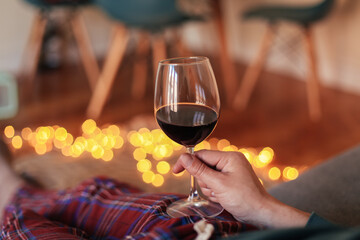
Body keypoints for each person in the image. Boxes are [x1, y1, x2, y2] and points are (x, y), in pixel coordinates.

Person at [0, 138, 359, 239]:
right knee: (100, 193)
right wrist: (261, 207)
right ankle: (12, 186)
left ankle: (9, 189)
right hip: (223, 227)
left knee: (23, 219)